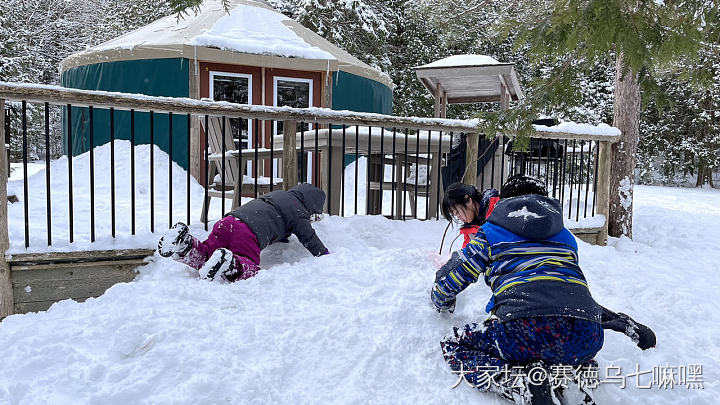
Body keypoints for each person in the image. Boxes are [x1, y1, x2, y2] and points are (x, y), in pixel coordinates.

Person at [432, 175, 607, 404]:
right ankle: (575, 383)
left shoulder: (491, 232)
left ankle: (516, 383)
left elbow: (456, 274)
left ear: (506, 202)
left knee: (453, 343)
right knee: (572, 350)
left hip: (524, 328)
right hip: (588, 333)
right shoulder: (567, 238)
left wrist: (440, 300)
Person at [440, 180, 656, 351]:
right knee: (564, 295)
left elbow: (474, 256)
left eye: (457, 211)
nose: (458, 217)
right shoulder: (564, 237)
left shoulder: (496, 214)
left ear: (469, 200)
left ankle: (519, 379)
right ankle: (622, 324)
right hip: (576, 318)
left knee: (546, 296)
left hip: (526, 304)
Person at [157, 183, 329, 282]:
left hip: (228, 222)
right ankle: (230, 262)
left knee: (207, 252)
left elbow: (274, 216)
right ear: (311, 206)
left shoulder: (278, 194)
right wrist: (327, 257)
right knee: (249, 265)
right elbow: (309, 238)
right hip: (248, 232)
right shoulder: (298, 212)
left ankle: (185, 246)